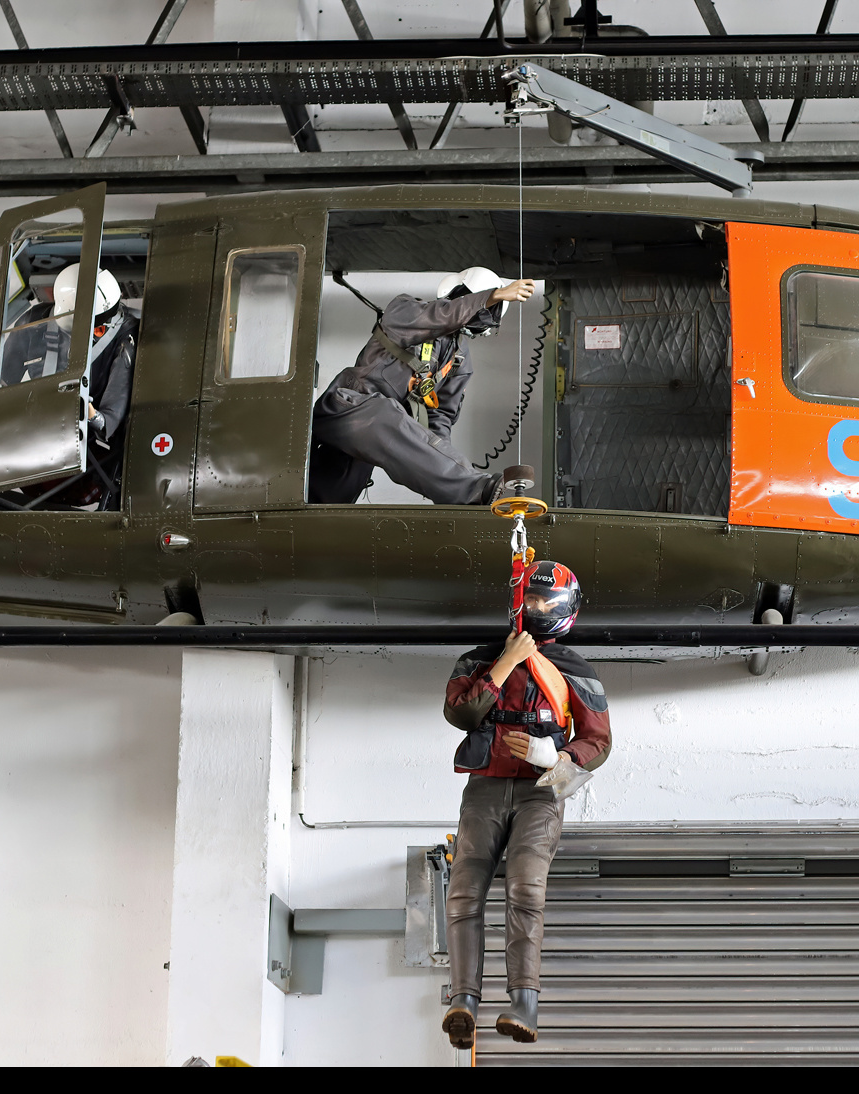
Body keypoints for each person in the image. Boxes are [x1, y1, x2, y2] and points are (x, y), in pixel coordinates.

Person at [439, 561, 612, 1049]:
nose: (536, 610)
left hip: (540, 792)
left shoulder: (574, 670)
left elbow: (598, 741)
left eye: (546, 604)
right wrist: (506, 662)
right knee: (464, 889)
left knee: (526, 888)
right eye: (530, 601)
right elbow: (461, 713)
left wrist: (557, 755)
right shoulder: (480, 659)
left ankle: (523, 1003)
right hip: (486, 786)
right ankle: (463, 1001)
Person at [308, 268, 535, 505]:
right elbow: (439, 317)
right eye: (476, 301)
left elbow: (441, 417)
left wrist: (440, 469)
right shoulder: (405, 310)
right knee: (385, 415)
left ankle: (467, 495)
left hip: (378, 435)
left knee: (330, 499)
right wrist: (492, 296)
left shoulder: (459, 359)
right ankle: (474, 488)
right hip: (347, 409)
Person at [0, 264, 138, 444]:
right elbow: (2, 386)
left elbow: (108, 420)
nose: (102, 331)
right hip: (33, 432)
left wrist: (87, 412)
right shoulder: (32, 324)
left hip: (82, 440)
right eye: (97, 327)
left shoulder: (125, 338)